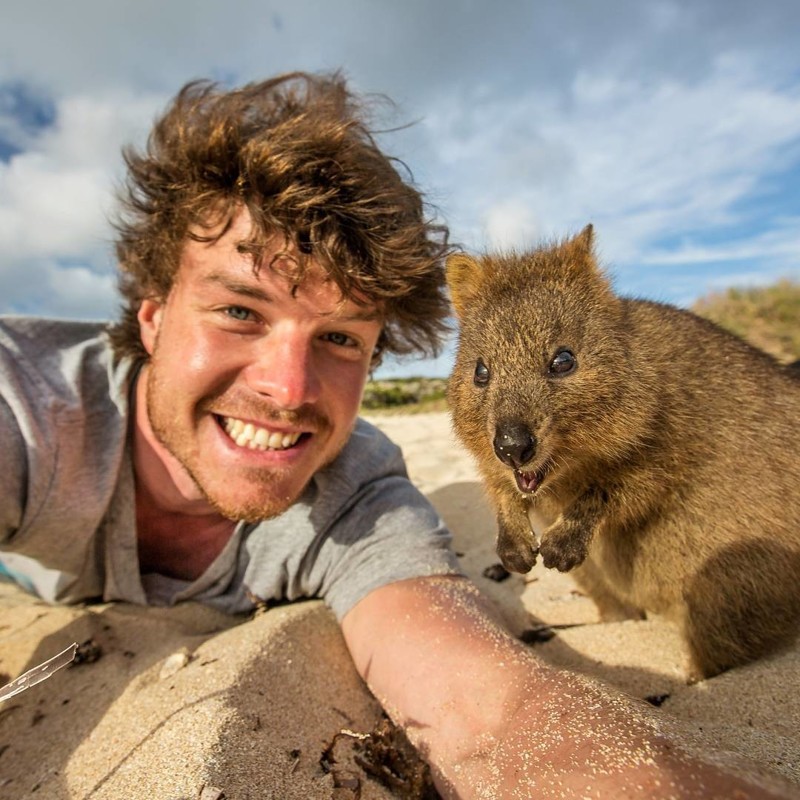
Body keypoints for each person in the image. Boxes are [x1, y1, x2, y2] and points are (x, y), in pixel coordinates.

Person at [0, 72, 793, 799]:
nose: (288, 388)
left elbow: (487, 710)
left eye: (341, 338)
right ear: (153, 317)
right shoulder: (31, 409)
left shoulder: (360, 497)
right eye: (240, 311)